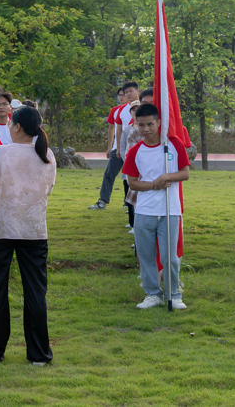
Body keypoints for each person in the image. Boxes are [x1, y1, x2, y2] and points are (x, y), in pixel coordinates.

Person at [0, 106, 57, 365]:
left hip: (1, 229)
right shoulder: (47, 154)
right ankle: (39, 354)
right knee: (35, 292)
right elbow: (48, 188)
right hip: (34, 230)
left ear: (17, 126)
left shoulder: (1, 152)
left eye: (11, 123)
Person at [122, 103, 192, 310]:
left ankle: (174, 294)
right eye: (141, 125)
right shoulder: (135, 151)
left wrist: (166, 177)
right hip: (144, 211)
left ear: (159, 122)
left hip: (170, 209)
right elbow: (132, 183)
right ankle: (153, 293)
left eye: (150, 124)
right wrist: (154, 185)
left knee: (170, 257)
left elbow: (185, 173)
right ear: (136, 124)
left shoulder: (173, 144)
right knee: (146, 255)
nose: (146, 129)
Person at [89, 82, 138, 211]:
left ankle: (130, 203)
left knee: (131, 177)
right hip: (119, 149)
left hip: (137, 149)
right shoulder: (119, 110)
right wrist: (115, 148)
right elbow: (117, 130)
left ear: (137, 91)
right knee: (109, 174)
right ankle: (102, 201)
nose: (126, 95)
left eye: (130, 91)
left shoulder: (144, 108)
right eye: (125, 93)